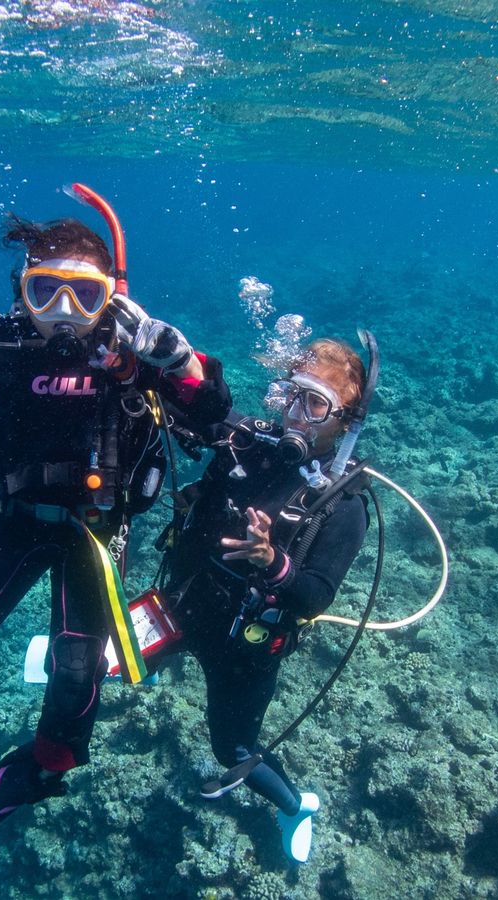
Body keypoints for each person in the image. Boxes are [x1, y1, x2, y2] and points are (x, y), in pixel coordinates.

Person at [0, 212, 232, 832]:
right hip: (17, 522)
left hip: (98, 531)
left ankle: (48, 767)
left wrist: (180, 359)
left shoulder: (135, 350)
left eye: (85, 295)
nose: (62, 309)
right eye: (44, 289)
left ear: (113, 298)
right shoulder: (2, 342)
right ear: (22, 288)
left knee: (78, 663)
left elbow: (214, 414)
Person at [153, 337, 371, 864]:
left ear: (345, 421)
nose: (297, 414)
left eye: (315, 403)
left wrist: (271, 561)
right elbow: (200, 410)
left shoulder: (343, 506)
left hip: (245, 649)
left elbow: (316, 595)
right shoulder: (251, 442)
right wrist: (166, 358)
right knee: (111, 659)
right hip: (184, 604)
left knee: (232, 750)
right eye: (292, 396)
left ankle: (295, 806)